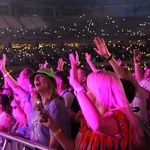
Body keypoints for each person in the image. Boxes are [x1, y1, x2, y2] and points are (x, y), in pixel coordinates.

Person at [38, 52, 146, 150]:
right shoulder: (87, 121)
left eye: (88, 89)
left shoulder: (119, 118)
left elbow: (98, 125)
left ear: (100, 94)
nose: (84, 92)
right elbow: (74, 147)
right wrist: (53, 126)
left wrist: (77, 86)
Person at [29, 68, 71, 149]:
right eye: (35, 78)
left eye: (41, 76)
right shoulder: (37, 107)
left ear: (50, 81)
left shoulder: (55, 105)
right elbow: (33, 135)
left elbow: (55, 144)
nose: (36, 79)